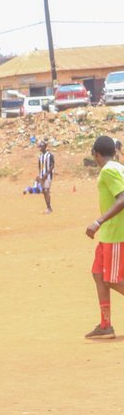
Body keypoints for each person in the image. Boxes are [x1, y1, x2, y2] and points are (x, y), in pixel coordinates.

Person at [84, 135, 124, 339]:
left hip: (116, 233)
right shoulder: (117, 167)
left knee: (113, 280)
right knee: (98, 274)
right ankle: (105, 324)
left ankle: (106, 323)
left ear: (96, 154)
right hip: (108, 235)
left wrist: (98, 222)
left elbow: (123, 198)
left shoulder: (109, 170)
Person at [38, 140, 55, 214]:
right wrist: (40, 176)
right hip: (42, 176)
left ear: (45, 147)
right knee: (44, 192)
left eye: (41, 147)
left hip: (48, 176)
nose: (40, 148)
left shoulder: (49, 155)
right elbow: (39, 166)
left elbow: (52, 165)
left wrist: (46, 174)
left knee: (46, 190)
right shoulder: (40, 156)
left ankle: (49, 207)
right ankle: (48, 206)